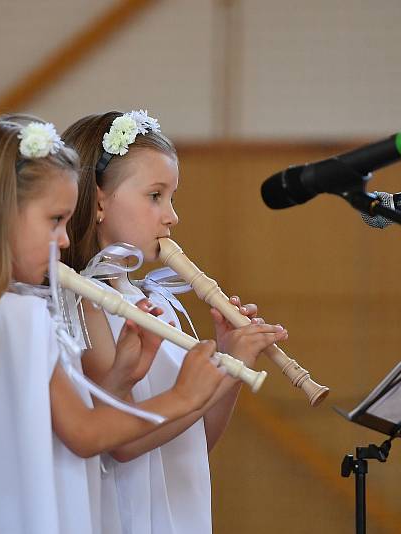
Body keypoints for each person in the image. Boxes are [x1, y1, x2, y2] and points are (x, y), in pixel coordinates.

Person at [0, 114, 226, 534]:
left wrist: (120, 378)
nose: (64, 240)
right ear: (0, 216)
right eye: (54, 221)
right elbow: (83, 435)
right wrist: (183, 397)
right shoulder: (22, 315)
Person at [62, 110, 287, 534]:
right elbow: (122, 444)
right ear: (98, 201)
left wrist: (230, 363)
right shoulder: (84, 301)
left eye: (171, 197)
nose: (172, 216)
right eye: (155, 196)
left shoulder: (155, 301)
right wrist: (228, 365)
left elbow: (196, 441)